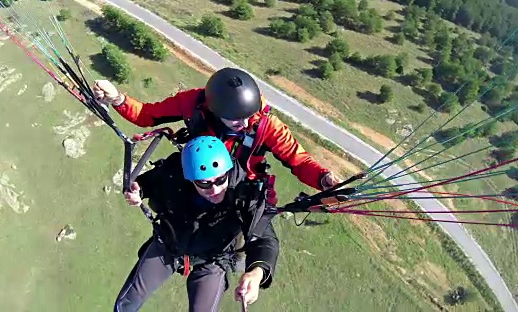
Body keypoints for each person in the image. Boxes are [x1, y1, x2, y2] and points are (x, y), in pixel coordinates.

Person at [93, 67, 341, 205]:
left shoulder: (266, 124)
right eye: (235, 119)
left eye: (249, 115)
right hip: (202, 172)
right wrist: (117, 98)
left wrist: (323, 179)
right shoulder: (193, 102)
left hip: (242, 181)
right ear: (213, 109)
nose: (244, 123)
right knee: (171, 169)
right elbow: (147, 115)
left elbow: (297, 159)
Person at [114, 136, 279, 312]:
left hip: (213, 259)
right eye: (204, 183)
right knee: (126, 303)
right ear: (190, 178)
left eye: (220, 180)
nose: (215, 189)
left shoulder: (244, 191)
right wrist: (138, 191)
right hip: (169, 245)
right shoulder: (174, 171)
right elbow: (148, 182)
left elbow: (265, 237)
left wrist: (257, 272)